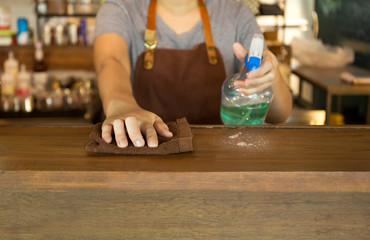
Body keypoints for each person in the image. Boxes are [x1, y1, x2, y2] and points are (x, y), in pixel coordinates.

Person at [94, 0, 292, 148]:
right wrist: (120, 105)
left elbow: (280, 114)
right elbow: (111, 61)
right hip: (143, 152)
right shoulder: (121, 8)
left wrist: (268, 77)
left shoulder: (235, 11)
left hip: (220, 159)